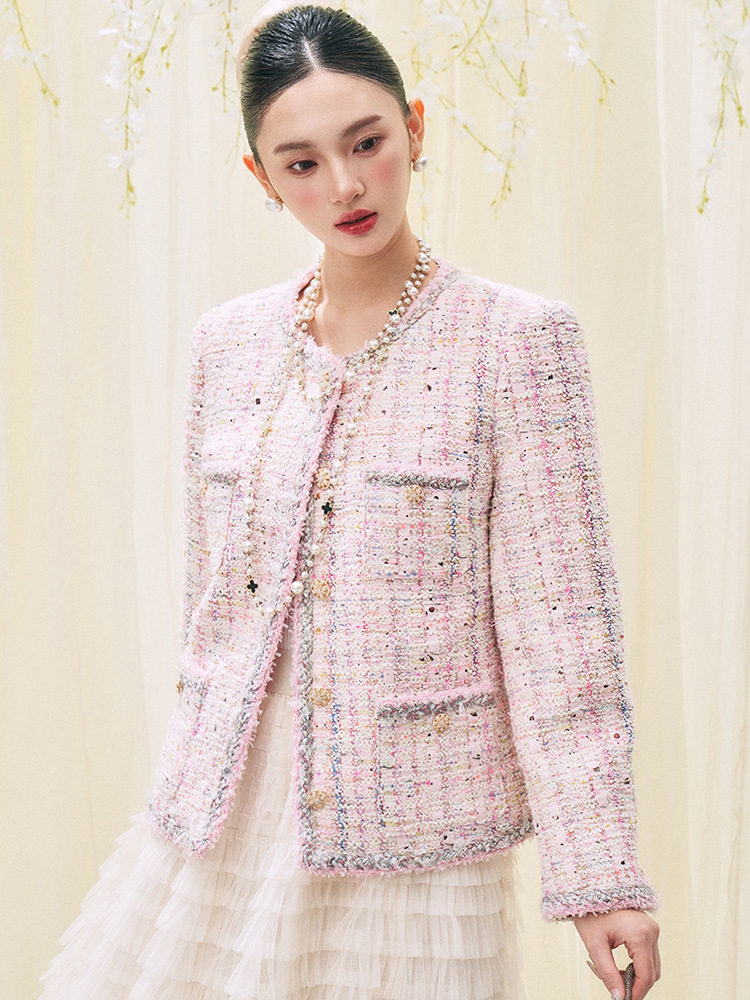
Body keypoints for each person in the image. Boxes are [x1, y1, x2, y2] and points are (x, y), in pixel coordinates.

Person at [39, 4, 661, 999]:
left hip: (415, 838)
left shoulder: (516, 342)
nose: (344, 185)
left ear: (414, 128)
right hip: (222, 822)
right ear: (262, 177)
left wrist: (601, 877)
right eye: (303, 162)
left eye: (367, 142)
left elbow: (562, 630)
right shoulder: (227, 346)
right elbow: (212, 604)